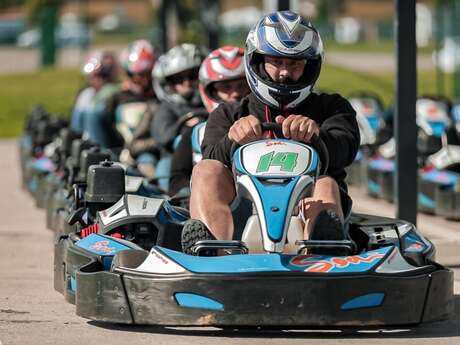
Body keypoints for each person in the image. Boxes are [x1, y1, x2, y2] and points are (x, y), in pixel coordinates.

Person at [181, 11, 360, 254]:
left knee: (326, 183)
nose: (285, 73)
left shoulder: (332, 108)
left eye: (295, 64)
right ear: (258, 62)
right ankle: (211, 255)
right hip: (242, 212)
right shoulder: (229, 113)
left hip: (304, 213)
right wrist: (234, 138)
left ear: (310, 66)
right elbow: (211, 154)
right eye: (277, 62)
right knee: (206, 170)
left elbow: (346, 148)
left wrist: (316, 136)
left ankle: (322, 252)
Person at [169, 46, 250, 196]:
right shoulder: (195, 133)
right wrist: (192, 197)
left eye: (241, 85)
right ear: (210, 91)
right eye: (226, 87)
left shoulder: (268, 121)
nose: (235, 93)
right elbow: (177, 180)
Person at [151, 43, 208, 191]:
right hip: (173, 160)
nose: (187, 83)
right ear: (168, 83)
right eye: (178, 79)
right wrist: (185, 127)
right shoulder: (166, 107)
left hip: (209, 158)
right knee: (164, 175)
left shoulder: (212, 103)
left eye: (192, 76)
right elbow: (163, 137)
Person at [105, 40, 159, 178]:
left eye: (148, 74)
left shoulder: (160, 97)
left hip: (148, 151)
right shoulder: (116, 97)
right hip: (120, 150)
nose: (145, 81)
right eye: (139, 75)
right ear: (128, 73)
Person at [70, 51, 120, 148]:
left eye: (97, 76)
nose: (92, 80)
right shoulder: (87, 93)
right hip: (86, 140)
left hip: (105, 144)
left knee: (91, 114)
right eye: (91, 77)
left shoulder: (111, 91)